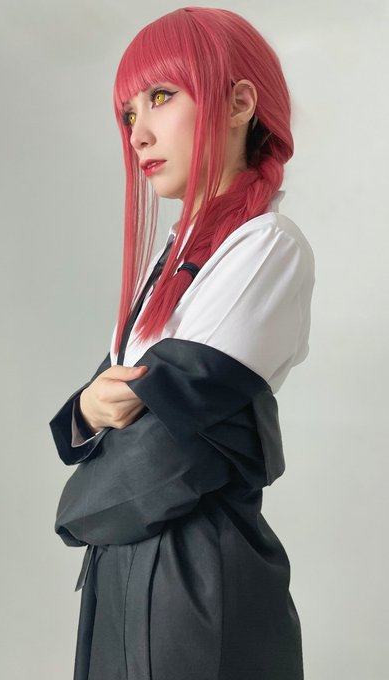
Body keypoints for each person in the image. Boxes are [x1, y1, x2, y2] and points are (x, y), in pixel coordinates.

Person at [50, 6, 315, 680]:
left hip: (195, 570)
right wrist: (90, 408)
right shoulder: (172, 255)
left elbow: (176, 434)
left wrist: (78, 505)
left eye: (161, 97)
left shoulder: (267, 245)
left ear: (240, 103)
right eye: (128, 113)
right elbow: (110, 399)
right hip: (124, 556)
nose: (138, 132)